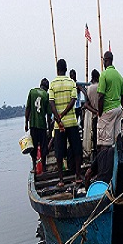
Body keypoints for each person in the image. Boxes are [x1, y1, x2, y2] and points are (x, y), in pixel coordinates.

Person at [49, 59, 83, 187]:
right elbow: (74, 100)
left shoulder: (52, 84)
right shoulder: (71, 83)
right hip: (72, 122)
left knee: (59, 152)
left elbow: (51, 103)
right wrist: (64, 114)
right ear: (66, 69)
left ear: (57, 69)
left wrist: (58, 118)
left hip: (59, 124)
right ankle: (78, 176)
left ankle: (61, 180)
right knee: (77, 149)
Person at [97, 51, 123, 147]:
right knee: (116, 139)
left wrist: (100, 113)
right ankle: (116, 160)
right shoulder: (119, 76)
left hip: (107, 111)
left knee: (104, 143)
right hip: (118, 110)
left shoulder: (104, 75)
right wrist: (120, 106)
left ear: (105, 60)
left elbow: (101, 96)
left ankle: (106, 161)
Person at [25, 78, 52, 174]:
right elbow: (49, 115)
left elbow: (28, 108)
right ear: (47, 88)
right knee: (44, 147)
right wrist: (50, 128)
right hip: (42, 126)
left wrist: (26, 123)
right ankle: (44, 168)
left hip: (33, 125)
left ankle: (34, 167)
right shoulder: (46, 95)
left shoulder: (32, 92)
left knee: (34, 147)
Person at [83, 69, 100, 158]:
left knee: (95, 138)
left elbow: (86, 104)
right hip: (102, 116)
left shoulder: (89, 89)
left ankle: (96, 156)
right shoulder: (101, 87)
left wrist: (95, 112)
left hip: (94, 116)